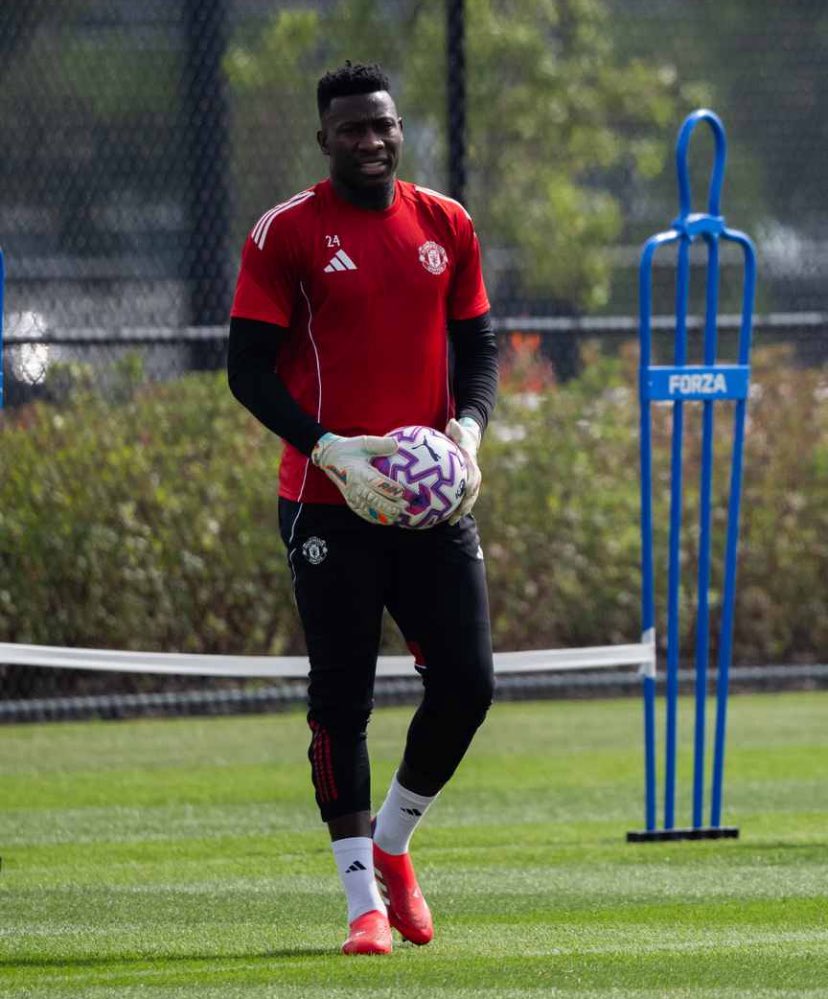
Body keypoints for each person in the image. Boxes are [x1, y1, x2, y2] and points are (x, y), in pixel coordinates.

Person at [227, 62, 498, 956]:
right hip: (328, 501)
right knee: (342, 699)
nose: (371, 141)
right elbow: (246, 370)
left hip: (427, 504)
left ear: (399, 130)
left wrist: (468, 428)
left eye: (383, 125)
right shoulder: (286, 233)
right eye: (352, 129)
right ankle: (361, 905)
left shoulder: (446, 223)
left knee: (468, 683)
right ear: (324, 140)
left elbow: (478, 343)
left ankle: (393, 842)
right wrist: (328, 447)